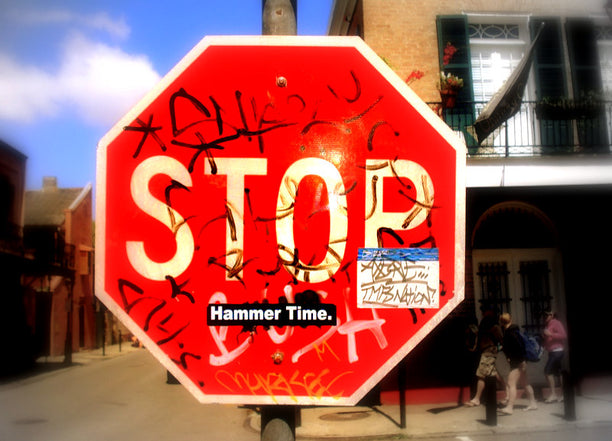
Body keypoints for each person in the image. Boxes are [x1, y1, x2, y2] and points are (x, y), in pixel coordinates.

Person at [499, 313, 537, 414]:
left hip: (518, 362)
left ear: (501, 322)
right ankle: (533, 403)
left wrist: (520, 361)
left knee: (511, 383)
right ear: (510, 319)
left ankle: (510, 407)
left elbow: (517, 348)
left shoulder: (509, 333)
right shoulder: (515, 331)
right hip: (521, 361)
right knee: (525, 383)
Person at [465, 307, 504, 407]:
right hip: (487, 351)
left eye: (484, 311)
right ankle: (508, 393)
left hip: (488, 352)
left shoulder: (492, 325)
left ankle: (477, 399)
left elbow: (501, 339)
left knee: (481, 375)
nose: (483, 313)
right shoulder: (487, 324)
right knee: (495, 374)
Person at [542, 310, 567, 403]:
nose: (545, 317)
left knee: (547, 371)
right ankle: (564, 395)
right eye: (544, 315)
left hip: (557, 351)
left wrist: (551, 334)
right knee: (559, 373)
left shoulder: (556, 323)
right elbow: (549, 339)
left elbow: (563, 335)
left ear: (552, 315)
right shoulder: (548, 324)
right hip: (552, 351)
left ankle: (553, 394)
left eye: (547, 315)